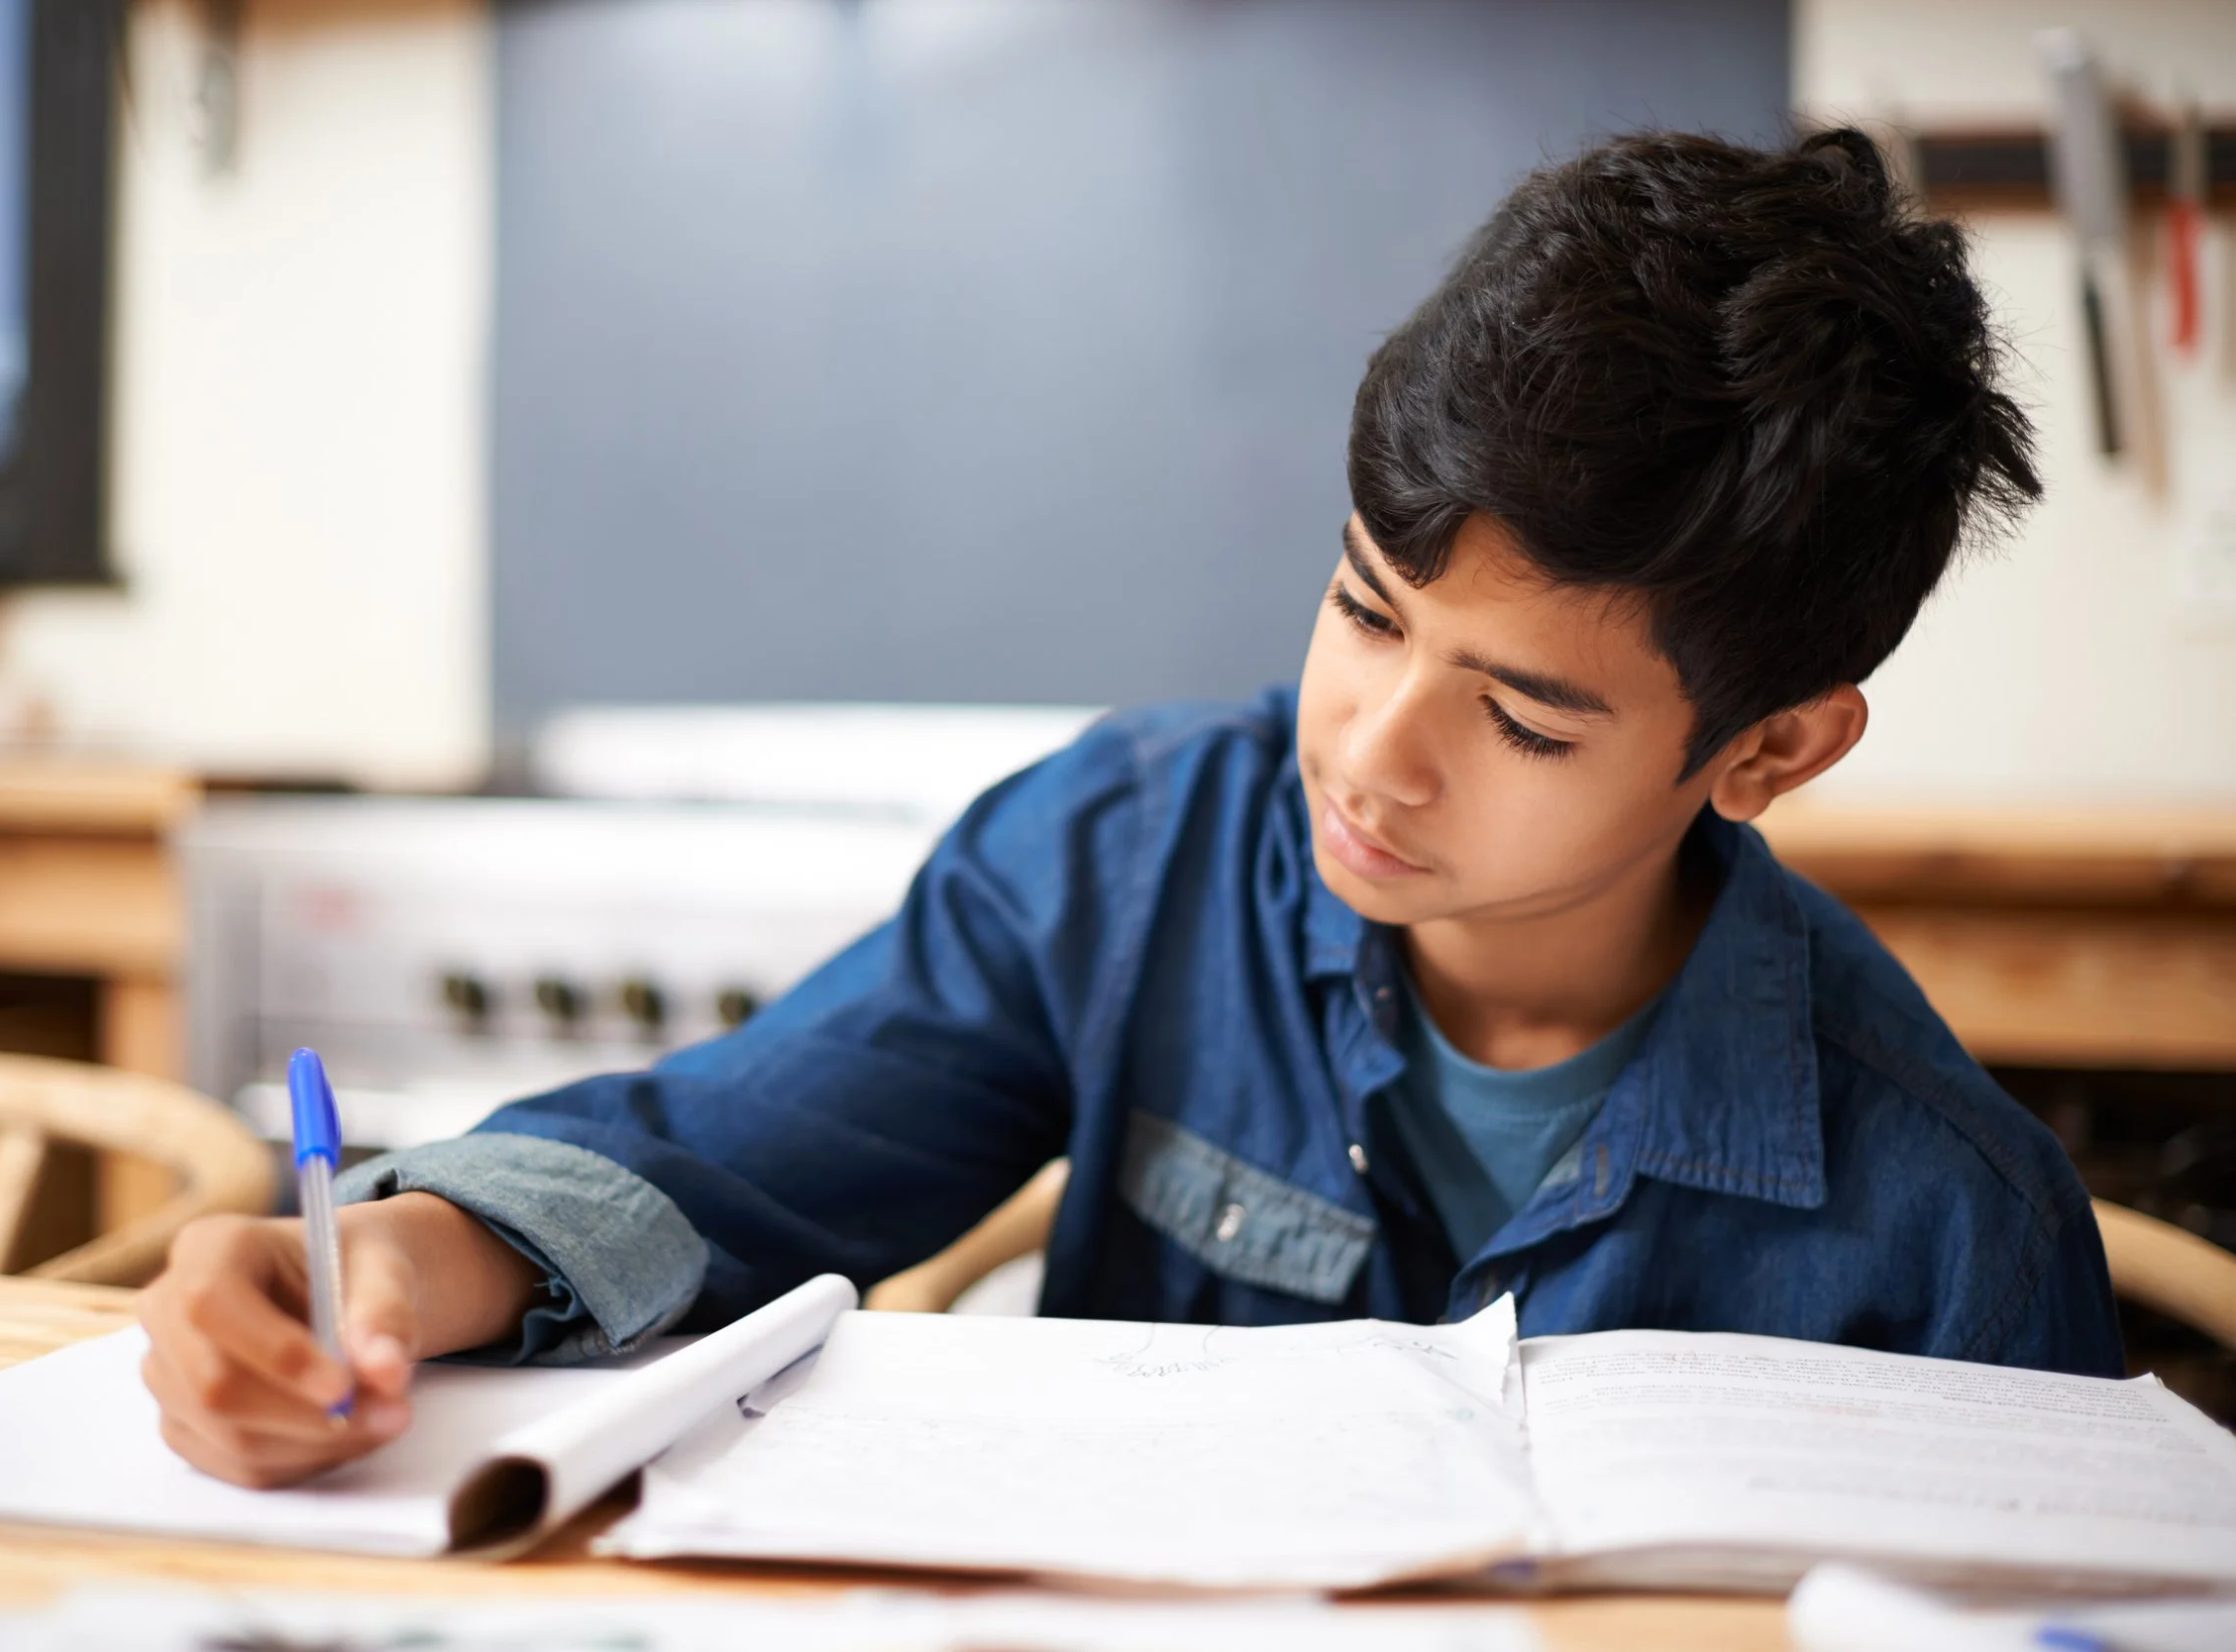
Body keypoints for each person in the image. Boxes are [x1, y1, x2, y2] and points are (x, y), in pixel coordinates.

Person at [140, 129, 2121, 1489]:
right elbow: (734, 1157)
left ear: (1765, 751)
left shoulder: (1942, 1220)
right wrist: (397, 1264)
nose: (1366, 749)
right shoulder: (1121, 859)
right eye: (1362, 607)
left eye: (1518, 719)